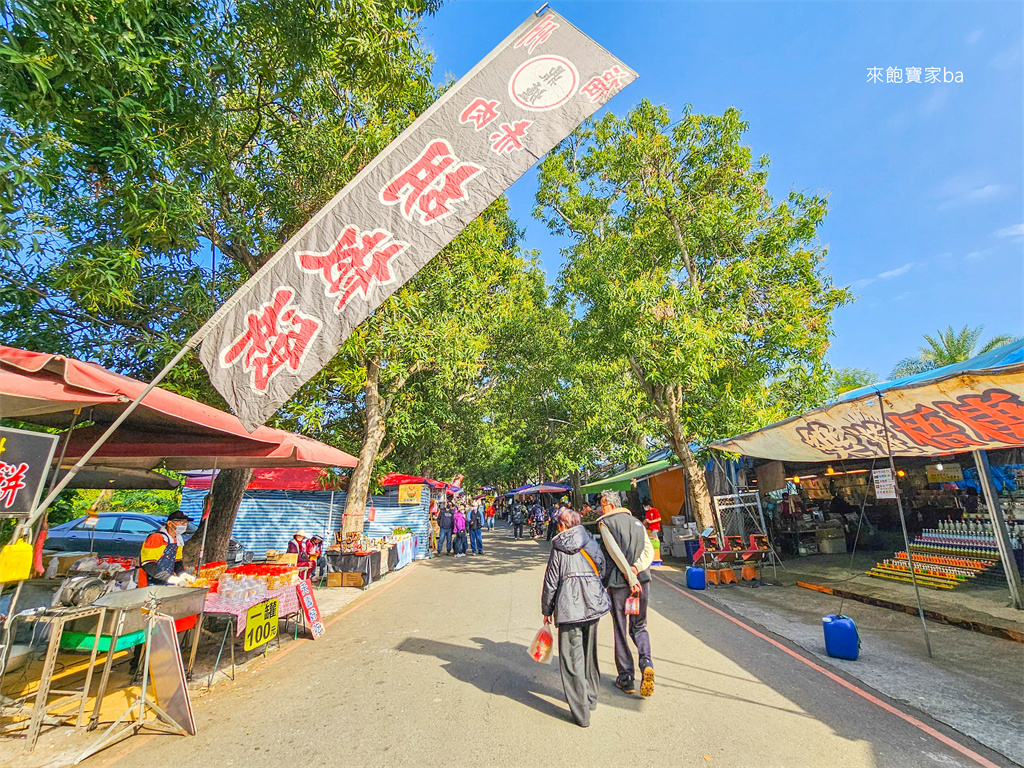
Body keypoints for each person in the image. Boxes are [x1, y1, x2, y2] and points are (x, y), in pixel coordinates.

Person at [540, 508, 612, 728]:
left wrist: (547, 610)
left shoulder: (558, 549)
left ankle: (581, 712)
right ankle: (590, 698)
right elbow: (602, 569)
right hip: (592, 605)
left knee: (572, 659)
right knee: (589, 653)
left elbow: (551, 582)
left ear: (562, 525)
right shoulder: (590, 543)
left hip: (569, 608)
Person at [597, 489, 655, 697]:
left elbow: (615, 553)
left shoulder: (605, 523)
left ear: (610, 505)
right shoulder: (638, 523)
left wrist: (630, 577)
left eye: (602, 504)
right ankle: (646, 661)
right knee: (640, 626)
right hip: (643, 581)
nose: (600, 508)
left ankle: (626, 678)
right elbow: (649, 552)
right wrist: (637, 570)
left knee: (621, 629)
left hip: (621, 584)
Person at [133, 510, 195, 676]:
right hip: (149, 584)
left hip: (165, 585)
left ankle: (159, 658)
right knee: (148, 624)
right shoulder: (156, 538)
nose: (184, 525)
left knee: (163, 622)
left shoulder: (177, 540)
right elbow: (148, 564)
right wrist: (170, 578)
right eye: (181, 522)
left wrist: (182, 574)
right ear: (170, 523)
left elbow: (177, 562)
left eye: (185, 522)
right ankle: (137, 664)